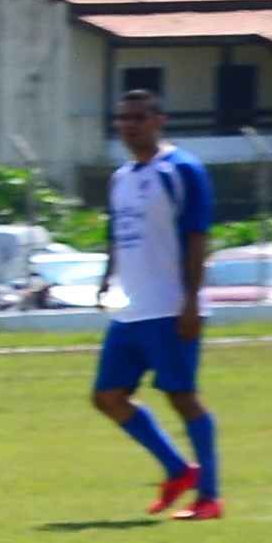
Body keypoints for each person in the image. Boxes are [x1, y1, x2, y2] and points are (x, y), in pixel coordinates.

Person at [91, 74, 224, 517]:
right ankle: (176, 469)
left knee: (182, 398)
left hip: (170, 306)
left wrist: (190, 301)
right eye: (123, 119)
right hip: (131, 309)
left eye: (139, 117)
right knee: (107, 396)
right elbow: (117, 235)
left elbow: (197, 237)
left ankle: (209, 496)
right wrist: (106, 278)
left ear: (159, 121)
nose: (130, 125)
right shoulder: (121, 178)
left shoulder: (181, 169)